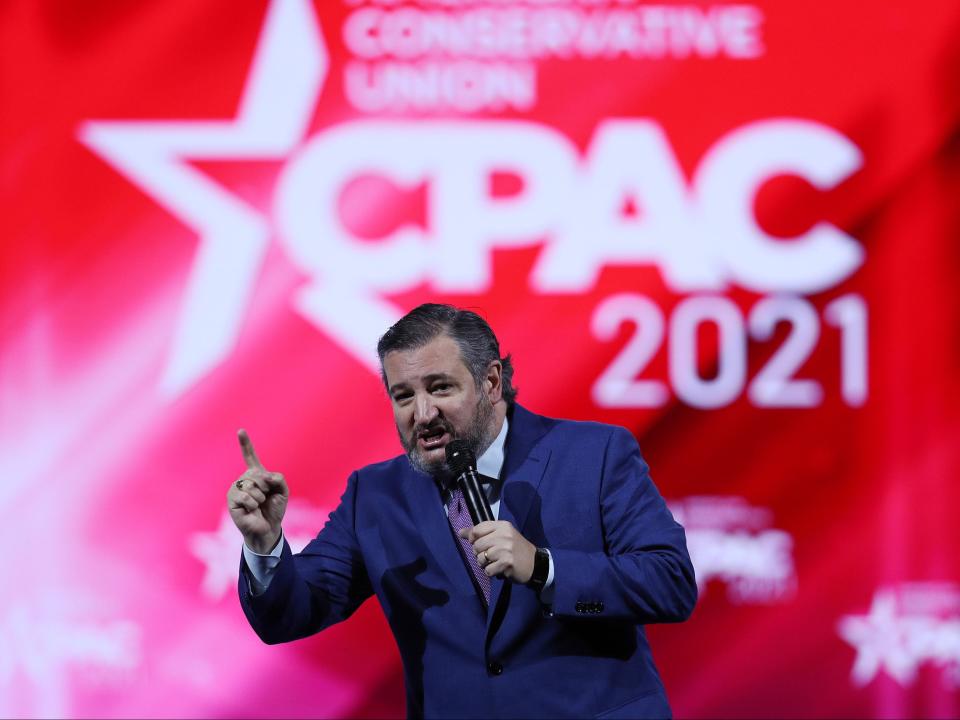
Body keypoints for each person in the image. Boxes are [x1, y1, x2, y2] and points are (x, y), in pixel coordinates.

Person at [229, 303, 697, 719]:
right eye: (404, 395)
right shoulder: (374, 494)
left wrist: (544, 568)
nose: (423, 413)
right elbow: (288, 615)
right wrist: (264, 544)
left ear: (491, 381)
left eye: (440, 388)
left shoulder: (594, 454)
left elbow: (670, 582)